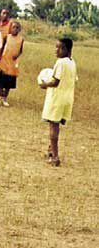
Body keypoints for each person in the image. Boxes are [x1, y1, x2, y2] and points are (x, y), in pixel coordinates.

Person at [40, 38, 77, 167]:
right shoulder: (72, 63)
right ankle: (50, 150)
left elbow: (55, 81)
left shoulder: (60, 62)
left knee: (53, 127)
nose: (56, 50)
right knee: (56, 125)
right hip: (67, 99)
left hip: (57, 99)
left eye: (59, 47)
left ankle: (55, 156)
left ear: (66, 49)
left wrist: (44, 84)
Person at [0, 21, 24, 107]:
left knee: (9, 81)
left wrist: (17, 55)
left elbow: (21, 51)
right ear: (10, 28)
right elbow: (2, 48)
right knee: (1, 80)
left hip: (12, 63)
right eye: (13, 27)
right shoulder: (7, 37)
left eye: (17, 28)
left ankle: (4, 98)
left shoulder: (21, 39)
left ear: (19, 29)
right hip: (4, 61)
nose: (15, 29)